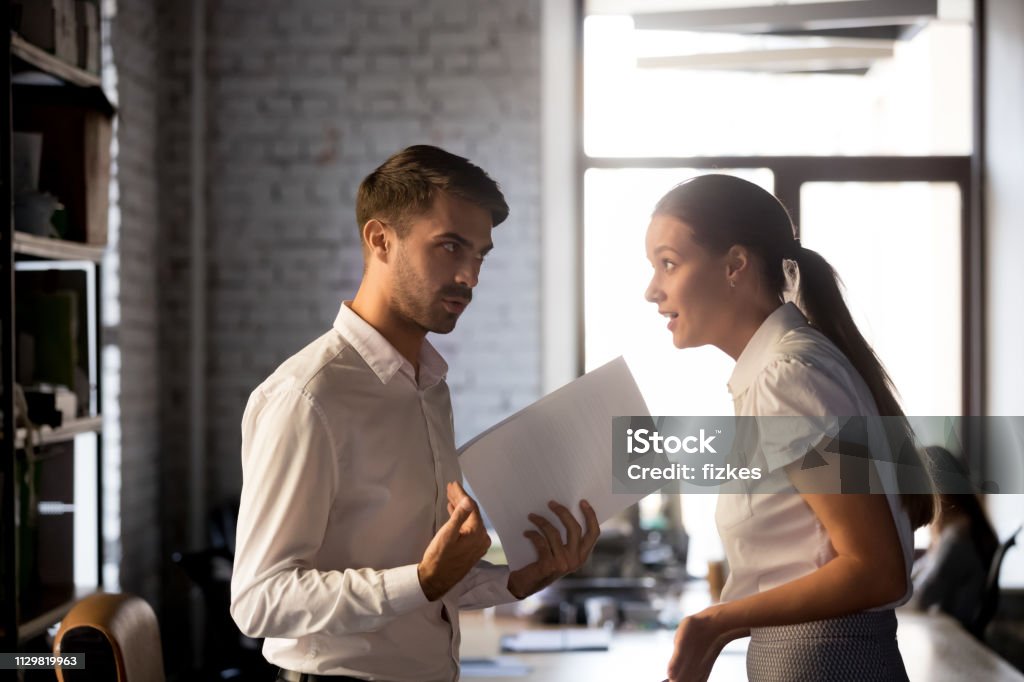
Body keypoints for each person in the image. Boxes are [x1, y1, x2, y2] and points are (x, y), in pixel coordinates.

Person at [230, 145, 600, 682]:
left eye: (480, 255)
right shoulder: (308, 396)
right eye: (450, 247)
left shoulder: (428, 386)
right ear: (380, 239)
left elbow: (422, 582)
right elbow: (258, 601)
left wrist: (517, 579)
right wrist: (423, 579)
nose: (470, 275)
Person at [642, 174, 935, 682]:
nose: (652, 290)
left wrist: (715, 622)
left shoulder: (787, 377)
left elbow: (875, 569)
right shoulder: (780, 372)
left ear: (735, 265)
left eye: (668, 263)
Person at [907, 448, 998, 629]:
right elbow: (919, 576)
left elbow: (922, 597)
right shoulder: (959, 530)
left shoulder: (958, 538)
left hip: (954, 637)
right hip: (950, 631)